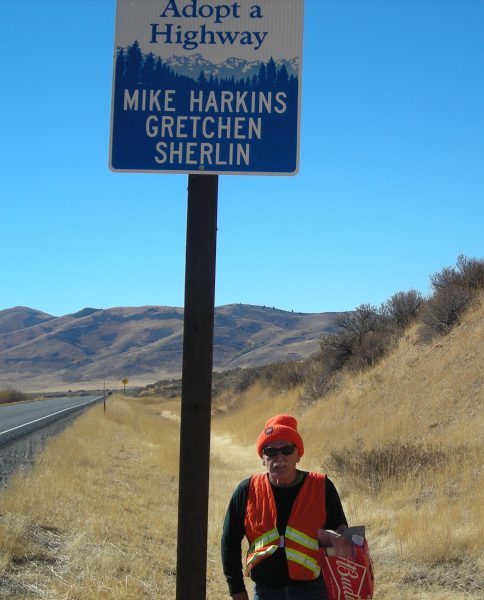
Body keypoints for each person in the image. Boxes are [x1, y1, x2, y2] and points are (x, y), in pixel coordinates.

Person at [221, 414, 353, 600]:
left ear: (298, 455)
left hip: (314, 591)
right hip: (265, 592)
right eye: (271, 451)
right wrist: (236, 590)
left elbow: (340, 535)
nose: (279, 457)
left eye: (287, 449)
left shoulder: (321, 486)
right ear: (263, 458)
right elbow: (229, 543)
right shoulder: (246, 490)